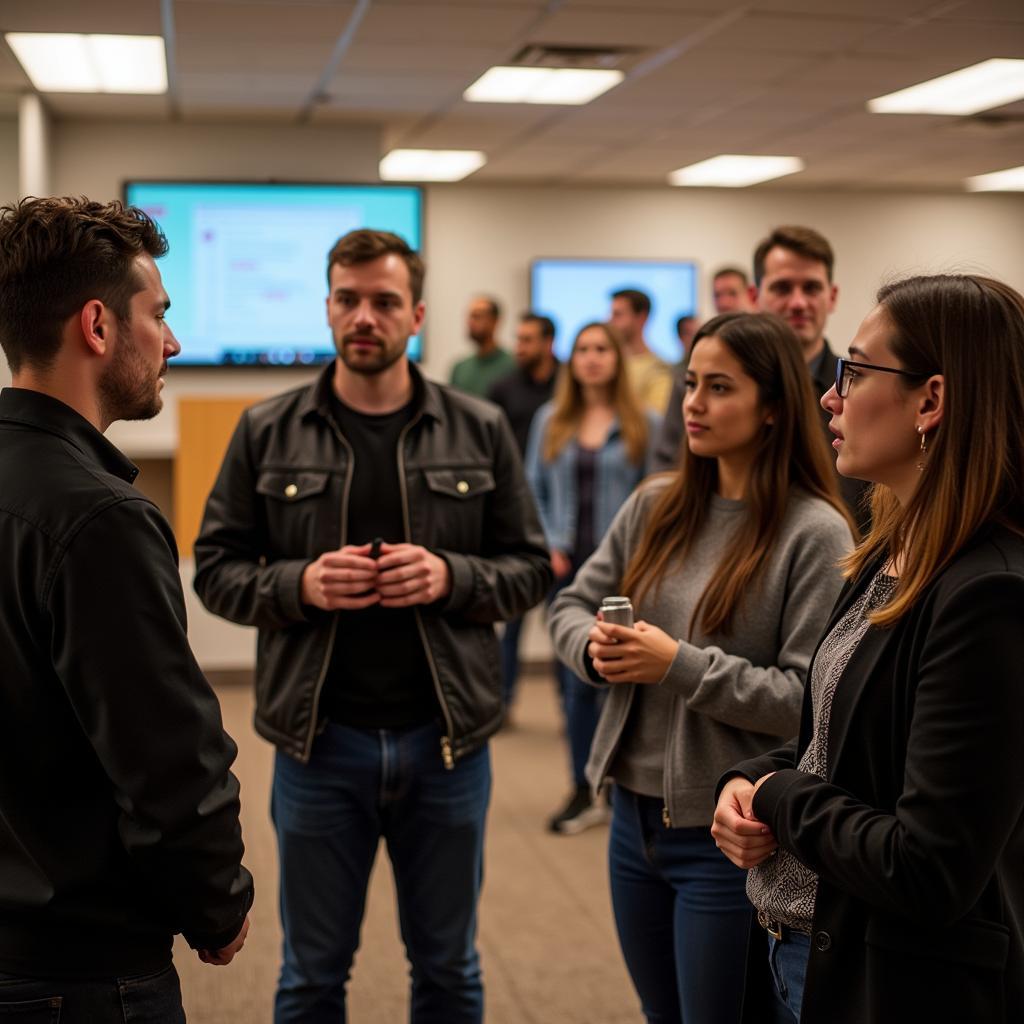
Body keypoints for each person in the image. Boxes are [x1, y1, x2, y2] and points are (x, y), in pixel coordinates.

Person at [193, 228, 552, 1024]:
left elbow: (529, 568)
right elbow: (215, 569)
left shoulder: (480, 426)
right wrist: (303, 583)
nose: (365, 317)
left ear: (416, 314)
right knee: (312, 976)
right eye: (348, 300)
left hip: (447, 743)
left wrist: (451, 575)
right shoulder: (267, 429)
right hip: (320, 743)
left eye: (384, 302)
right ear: (326, 308)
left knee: (449, 970)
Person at [713, 274, 1024, 1024]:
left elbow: (929, 867)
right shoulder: (892, 550)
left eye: (854, 372)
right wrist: (749, 777)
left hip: (902, 981)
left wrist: (780, 798)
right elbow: (840, 740)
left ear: (931, 400)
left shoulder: (988, 593)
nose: (831, 396)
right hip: (807, 944)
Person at [549, 312, 855, 1023]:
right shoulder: (657, 502)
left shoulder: (814, 531)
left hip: (727, 836)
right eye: (690, 384)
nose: (692, 403)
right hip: (632, 816)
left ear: (773, 406)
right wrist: (592, 653)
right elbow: (568, 606)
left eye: (719, 387)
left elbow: (808, 702)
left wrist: (676, 665)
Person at [0, 197, 253, 1022]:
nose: (172, 343)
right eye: (161, 316)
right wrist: (216, 902)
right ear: (99, 326)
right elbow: (165, 759)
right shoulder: (99, 519)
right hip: (78, 971)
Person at [525, 322, 659, 834]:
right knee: (574, 684)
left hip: (623, 574)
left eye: (602, 349)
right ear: (572, 360)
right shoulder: (550, 420)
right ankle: (582, 787)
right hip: (566, 573)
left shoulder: (642, 421)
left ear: (616, 360)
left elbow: (656, 497)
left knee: (621, 681)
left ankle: (618, 784)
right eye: (583, 349)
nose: (592, 358)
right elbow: (531, 487)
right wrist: (548, 542)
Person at [653, 229, 870, 531]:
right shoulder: (696, 384)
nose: (798, 303)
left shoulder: (858, 389)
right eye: (782, 288)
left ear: (831, 297)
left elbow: (869, 496)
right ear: (754, 297)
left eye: (811, 288)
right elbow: (670, 474)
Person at [487, 312, 560, 712]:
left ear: (548, 343)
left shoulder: (569, 386)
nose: (519, 348)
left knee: (563, 619)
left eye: (527, 339)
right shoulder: (502, 388)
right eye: (517, 339)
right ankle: (502, 701)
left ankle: (571, 708)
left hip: (557, 512)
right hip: (514, 511)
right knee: (511, 621)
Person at [609, 288, 675, 414]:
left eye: (617, 315)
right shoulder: (609, 362)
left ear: (641, 317)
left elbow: (657, 418)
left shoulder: (659, 369)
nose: (610, 320)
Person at [449, 294, 516, 396]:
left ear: (495, 321)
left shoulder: (513, 366)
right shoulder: (460, 369)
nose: (470, 322)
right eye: (470, 316)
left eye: (477, 316)